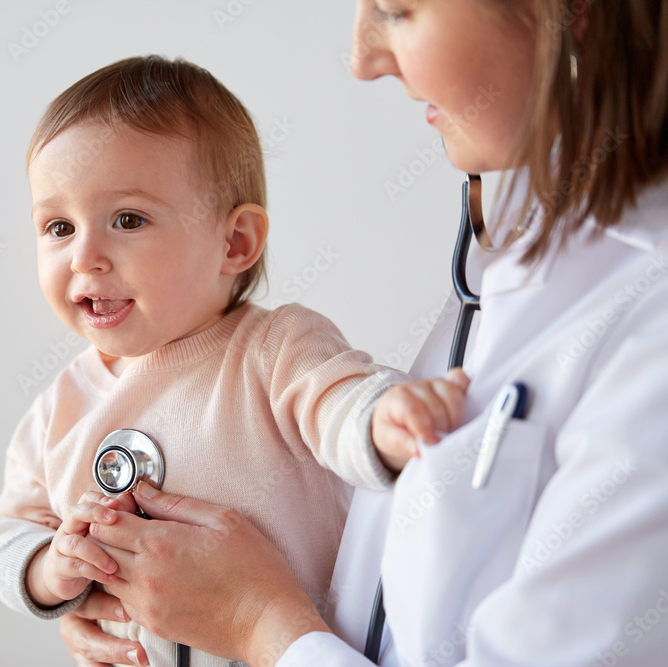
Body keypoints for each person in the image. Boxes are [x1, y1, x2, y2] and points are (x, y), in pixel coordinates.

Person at [63, 1, 668, 666]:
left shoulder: (646, 312)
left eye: (398, 9)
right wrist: (101, 584)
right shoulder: (518, 247)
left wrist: (255, 622)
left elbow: (353, 420)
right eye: (56, 227)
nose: (362, 60)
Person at [0, 55, 470, 667]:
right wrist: (50, 573)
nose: (85, 255)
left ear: (234, 242)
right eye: (57, 226)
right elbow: (6, 531)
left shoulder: (274, 350)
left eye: (127, 219)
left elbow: (339, 401)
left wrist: (386, 420)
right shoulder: (61, 406)